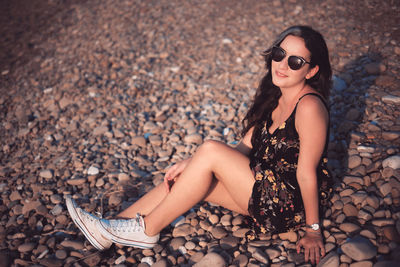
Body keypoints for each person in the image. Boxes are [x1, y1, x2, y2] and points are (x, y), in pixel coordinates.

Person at [66, 25, 333, 265]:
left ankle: (147, 230)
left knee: (209, 149)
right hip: (260, 187)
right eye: (279, 54)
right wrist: (192, 165)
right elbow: (241, 149)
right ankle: (111, 229)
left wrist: (313, 231)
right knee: (188, 176)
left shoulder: (308, 106)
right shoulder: (275, 97)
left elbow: (306, 173)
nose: (282, 64)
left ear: (311, 70)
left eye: (295, 61)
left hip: (287, 203)